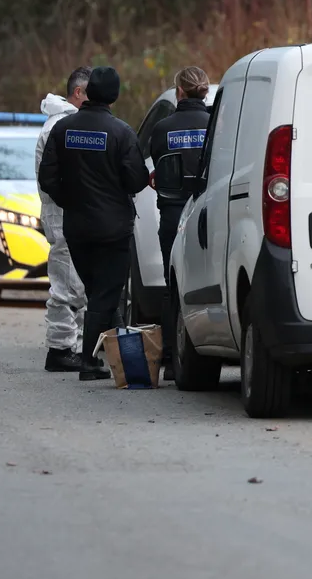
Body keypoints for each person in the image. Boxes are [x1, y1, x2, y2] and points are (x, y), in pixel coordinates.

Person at [38, 66, 149, 381]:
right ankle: (89, 361)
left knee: (98, 290)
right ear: (114, 96)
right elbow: (136, 179)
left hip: (77, 227)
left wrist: (72, 201)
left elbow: (47, 177)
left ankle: (122, 358)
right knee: (106, 292)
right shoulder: (121, 132)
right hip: (113, 229)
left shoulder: (63, 129)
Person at [147, 66, 211, 373]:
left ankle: (173, 360)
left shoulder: (163, 128)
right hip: (207, 214)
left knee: (172, 285)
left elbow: (161, 164)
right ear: (205, 91)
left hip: (173, 214)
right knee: (207, 284)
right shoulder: (215, 125)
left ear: (179, 92)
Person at [35, 67, 91, 373]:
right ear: (78, 92)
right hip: (62, 213)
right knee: (66, 284)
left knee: (75, 283)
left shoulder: (65, 123)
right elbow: (54, 178)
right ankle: (60, 349)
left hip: (65, 212)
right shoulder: (60, 126)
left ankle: (75, 346)